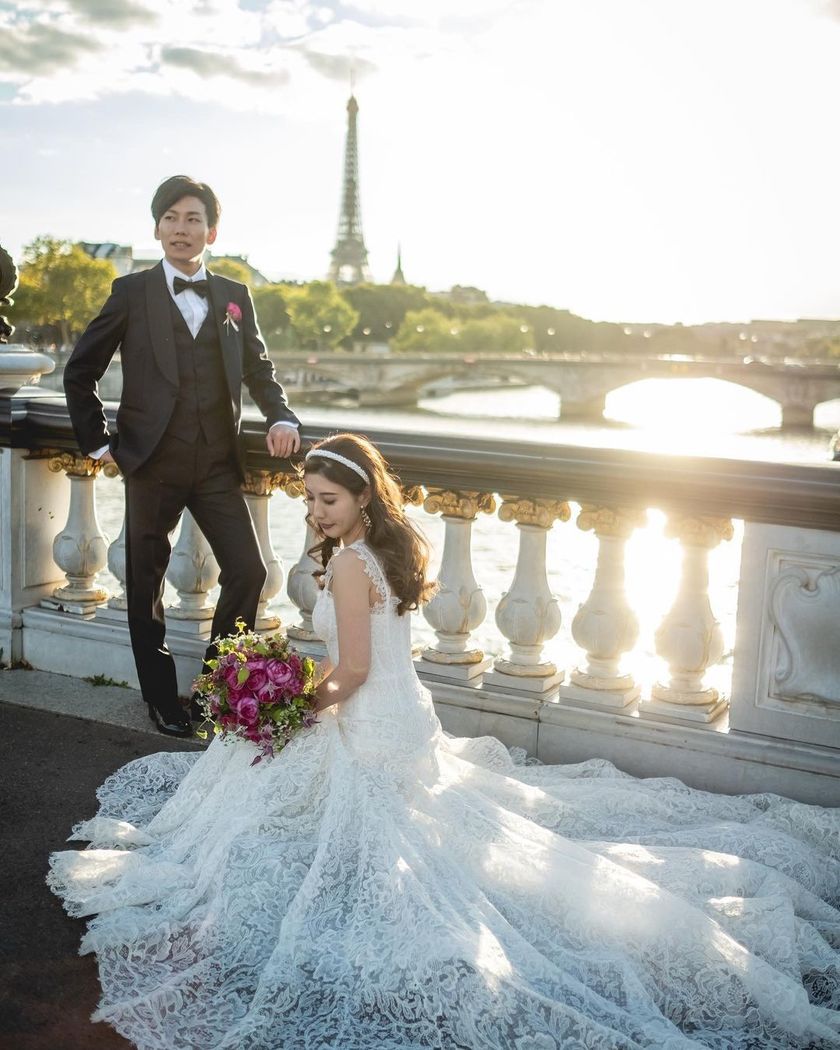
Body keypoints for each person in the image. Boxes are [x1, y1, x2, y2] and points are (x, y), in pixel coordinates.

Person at [48, 433, 840, 1049]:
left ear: (360, 497)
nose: (315, 512)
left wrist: (289, 710)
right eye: (309, 500)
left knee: (272, 800)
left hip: (371, 720)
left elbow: (351, 671)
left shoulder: (352, 568)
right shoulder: (384, 549)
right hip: (406, 715)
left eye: (326, 500)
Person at [63, 175, 301, 738]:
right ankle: (160, 698)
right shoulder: (130, 292)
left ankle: (217, 686)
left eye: (193, 218)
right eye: (171, 218)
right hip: (151, 462)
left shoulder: (234, 296)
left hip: (218, 462)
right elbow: (81, 371)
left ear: (211, 231)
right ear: (156, 228)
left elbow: (258, 369)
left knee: (249, 570)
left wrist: (282, 417)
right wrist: (98, 442)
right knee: (144, 585)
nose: (181, 228)